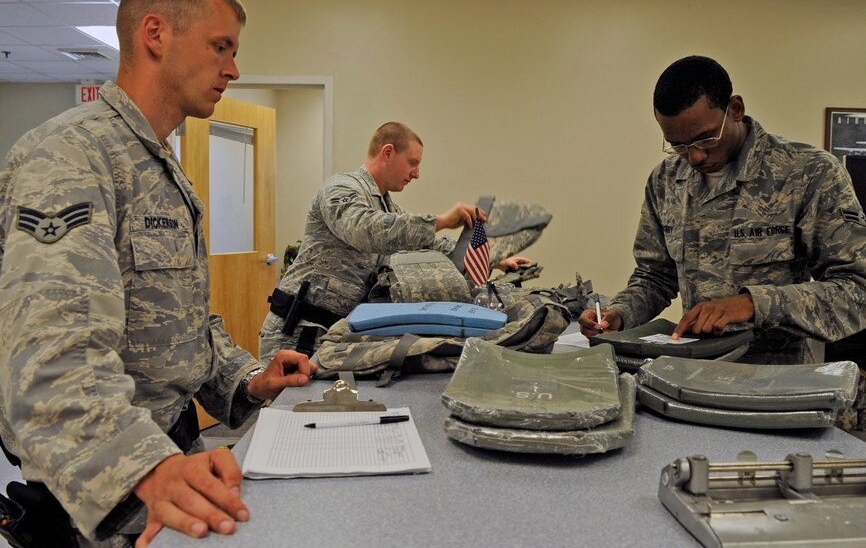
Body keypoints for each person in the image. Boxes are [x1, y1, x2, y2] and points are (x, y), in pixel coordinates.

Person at [0, 0, 316, 548]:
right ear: (155, 34)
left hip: (173, 453)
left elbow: (184, 325)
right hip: (106, 486)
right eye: (220, 46)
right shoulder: (71, 155)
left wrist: (249, 381)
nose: (233, 69)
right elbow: (49, 358)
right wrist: (143, 466)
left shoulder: (161, 167)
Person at [578, 55, 866, 429]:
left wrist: (751, 304)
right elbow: (654, 276)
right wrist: (619, 314)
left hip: (777, 393)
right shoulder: (667, 180)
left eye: (704, 138)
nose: (695, 156)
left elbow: (857, 292)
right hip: (688, 385)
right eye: (678, 145)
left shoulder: (809, 174)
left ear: (735, 108)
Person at [259, 121, 530, 361]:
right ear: (388, 152)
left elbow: (430, 247)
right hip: (297, 333)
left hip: (336, 335)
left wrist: (497, 261)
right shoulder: (341, 188)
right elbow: (364, 229)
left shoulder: (389, 209)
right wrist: (440, 220)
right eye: (413, 163)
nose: (416, 173)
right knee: (289, 414)